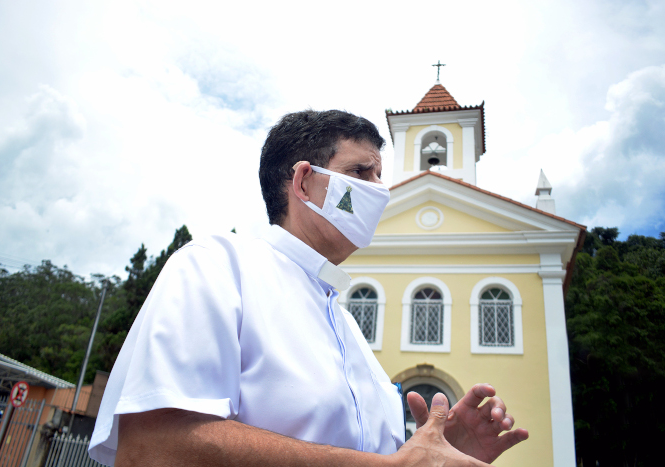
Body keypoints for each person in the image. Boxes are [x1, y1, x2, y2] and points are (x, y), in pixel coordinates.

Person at [89, 110, 529, 466]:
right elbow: (151, 450)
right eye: (361, 172)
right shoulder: (220, 266)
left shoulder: (347, 324)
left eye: (380, 175)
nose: (381, 192)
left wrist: (438, 452)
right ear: (304, 182)